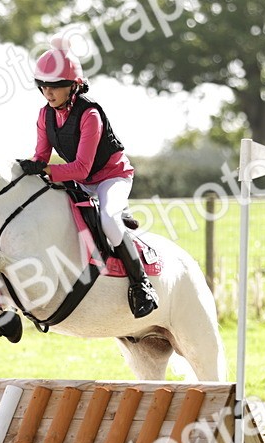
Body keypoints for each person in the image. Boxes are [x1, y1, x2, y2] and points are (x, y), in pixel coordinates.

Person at [18, 35, 159, 319]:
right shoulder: (44, 116)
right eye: (43, 85)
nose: (48, 91)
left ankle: (141, 284)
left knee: (108, 219)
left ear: (74, 85)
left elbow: (82, 168)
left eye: (56, 85)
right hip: (81, 180)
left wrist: (45, 170)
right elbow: (41, 157)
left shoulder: (89, 114)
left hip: (111, 176)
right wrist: (27, 169)